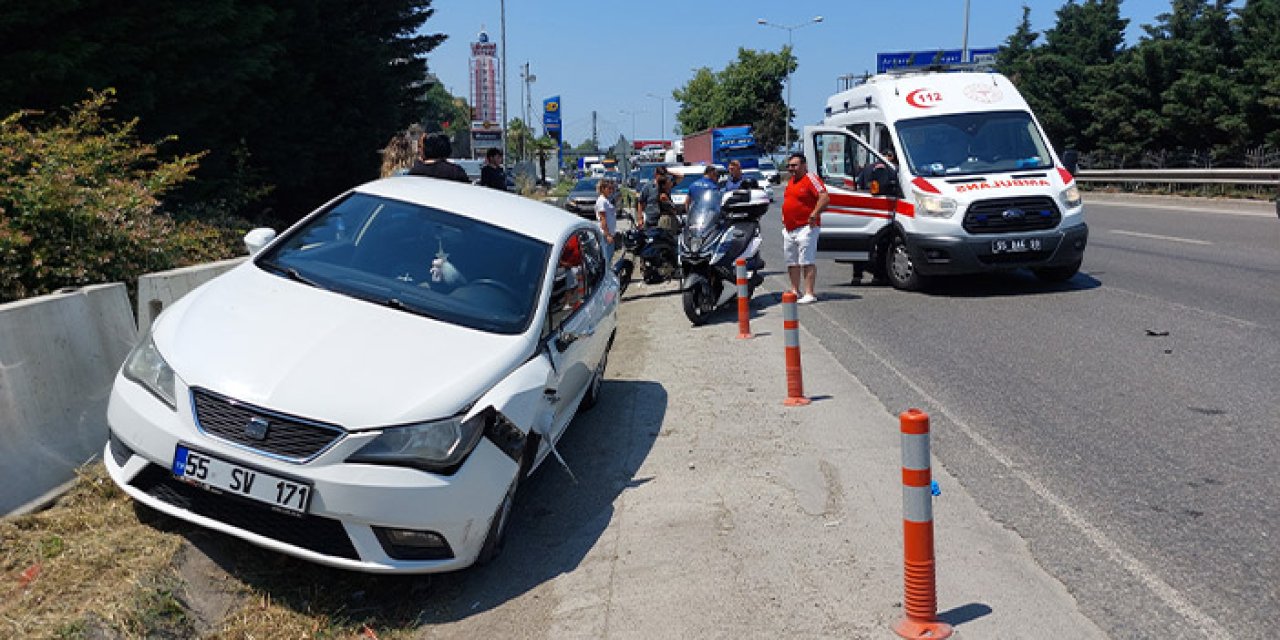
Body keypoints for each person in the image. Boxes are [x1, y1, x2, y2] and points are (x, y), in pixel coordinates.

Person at [781, 152, 829, 304]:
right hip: (790, 228)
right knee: (791, 261)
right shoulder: (791, 181)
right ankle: (795, 290)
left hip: (806, 227)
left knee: (806, 261)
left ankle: (809, 293)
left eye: (794, 165)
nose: (791, 169)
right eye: (789, 166)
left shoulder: (810, 179)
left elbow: (824, 197)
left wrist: (814, 214)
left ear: (804, 165)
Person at [852, 147, 897, 284]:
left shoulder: (867, 168)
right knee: (883, 246)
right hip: (884, 211)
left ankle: (857, 276)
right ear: (890, 156)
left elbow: (859, 185)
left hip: (866, 209)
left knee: (861, 245)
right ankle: (878, 276)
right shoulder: (893, 169)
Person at [636, 165, 671, 230]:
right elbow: (640, 202)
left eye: (664, 175)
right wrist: (640, 218)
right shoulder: (648, 186)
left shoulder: (667, 186)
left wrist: (666, 200)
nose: (662, 177)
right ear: (656, 175)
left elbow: (680, 177)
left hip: (664, 222)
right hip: (650, 221)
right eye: (661, 175)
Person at [594, 179, 618, 264]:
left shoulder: (606, 200)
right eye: (609, 188)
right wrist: (608, 235)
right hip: (605, 235)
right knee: (606, 259)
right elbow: (603, 220)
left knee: (609, 257)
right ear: (603, 189)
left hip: (610, 233)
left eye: (612, 188)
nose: (611, 190)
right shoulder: (602, 201)